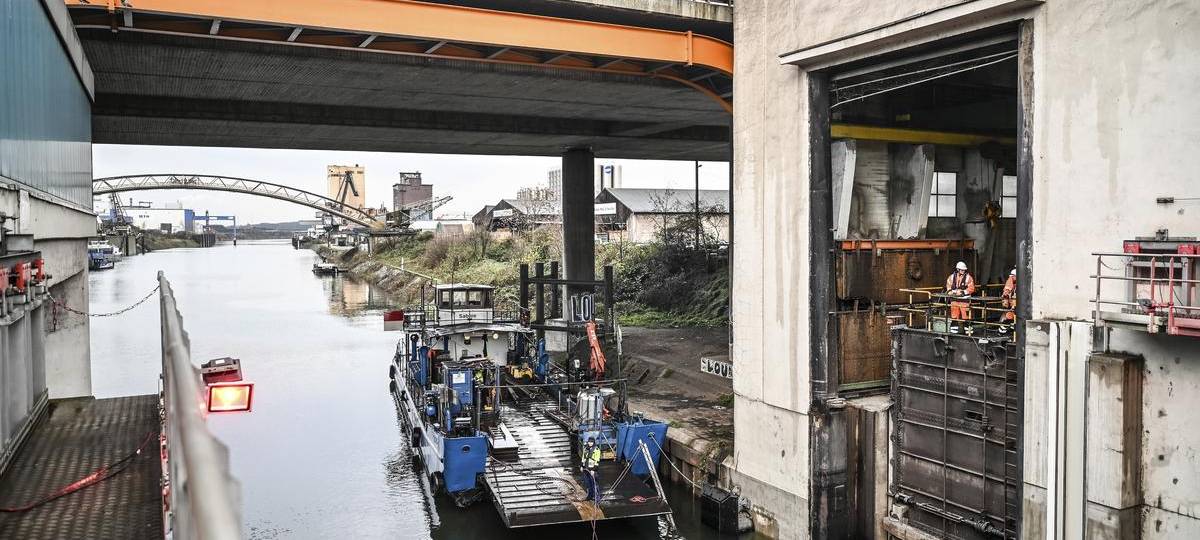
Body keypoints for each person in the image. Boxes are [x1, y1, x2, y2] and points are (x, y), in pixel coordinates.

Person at [944, 261, 976, 332]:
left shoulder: (968, 278)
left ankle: (968, 332)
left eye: (964, 270)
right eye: (962, 270)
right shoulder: (951, 277)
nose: (963, 271)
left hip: (964, 300)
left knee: (966, 316)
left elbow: (971, 288)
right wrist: (950, 291)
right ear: (957, 269)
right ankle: (953, 332)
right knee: (954, 316)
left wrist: (963, 292)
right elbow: (948, 285)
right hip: (954, 300)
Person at [581, 437, 601, 504]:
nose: (590, 443)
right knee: (588, 484)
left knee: (594, 484)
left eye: (591, 442)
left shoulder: (597, 450)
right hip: (586, 469)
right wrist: (582, 466)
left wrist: (593, 470)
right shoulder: (585, 448)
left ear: (594, 442)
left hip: (592, 470)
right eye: (589, 442)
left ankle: (597, 498)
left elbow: (597, 461)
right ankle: (589, 496)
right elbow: (583, 458)